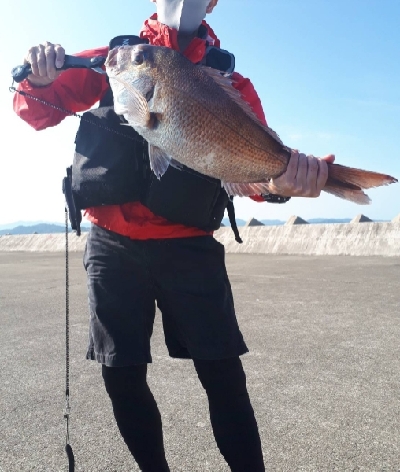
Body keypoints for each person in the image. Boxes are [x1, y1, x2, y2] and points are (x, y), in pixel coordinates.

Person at [13, 1, 335, 470]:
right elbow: (35, 110)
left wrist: (283, 185)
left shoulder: (231, 80)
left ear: (212, 3)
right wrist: (36, 80)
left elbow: (256, 172)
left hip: (189, 245)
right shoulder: (119, 58)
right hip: (112, 246)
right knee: (120, 375)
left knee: (223, 374)